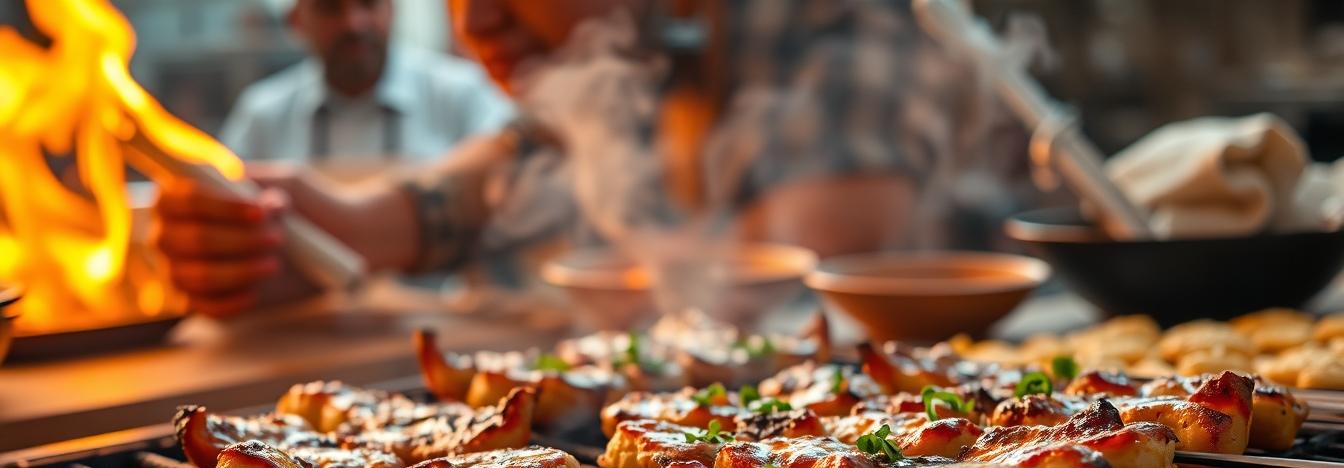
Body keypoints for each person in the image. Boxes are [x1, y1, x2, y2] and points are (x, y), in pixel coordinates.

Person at [156, 1, 970, 317]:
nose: (474, 23)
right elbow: (495, 178)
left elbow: (796, 258)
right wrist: (330, 231)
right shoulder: (612, 58)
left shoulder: (839, 18)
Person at [220, 0, 514, 162]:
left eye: (368, 3)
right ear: (296, 22)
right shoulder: (262, 115)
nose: (353, 24)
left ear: (392, 9)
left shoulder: (462, 94)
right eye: (330, 8)